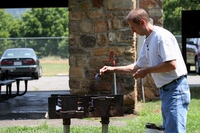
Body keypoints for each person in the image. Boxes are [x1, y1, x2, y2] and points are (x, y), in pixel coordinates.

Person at [99, 8, 190, 133]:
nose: (132, 31)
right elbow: (137, 67)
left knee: (175, 131)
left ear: (142, 22)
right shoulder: (148, 40)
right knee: (170, 129)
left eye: (133, 27)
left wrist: (147, 71)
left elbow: (171, 64)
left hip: (176, 90)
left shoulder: (161, 37)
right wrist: (112, 69)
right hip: (167, 91)